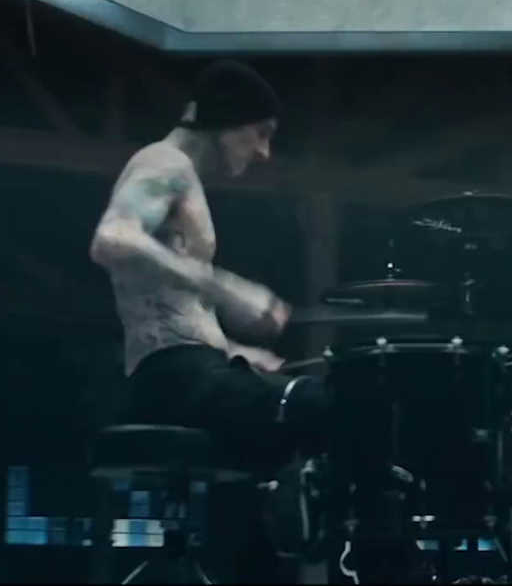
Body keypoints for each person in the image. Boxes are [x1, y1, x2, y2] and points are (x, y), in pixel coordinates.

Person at [88, 59, 330, 469]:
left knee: (289, 431)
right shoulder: (163, 163)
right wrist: (227, 289)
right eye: (261, 133)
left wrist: (236, 351)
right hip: (176, 380)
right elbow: (112, 239)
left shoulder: (179, 173)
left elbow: (168, 305)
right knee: (323, 405)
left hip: (190, 372)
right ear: (228, 119)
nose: (264, 152)